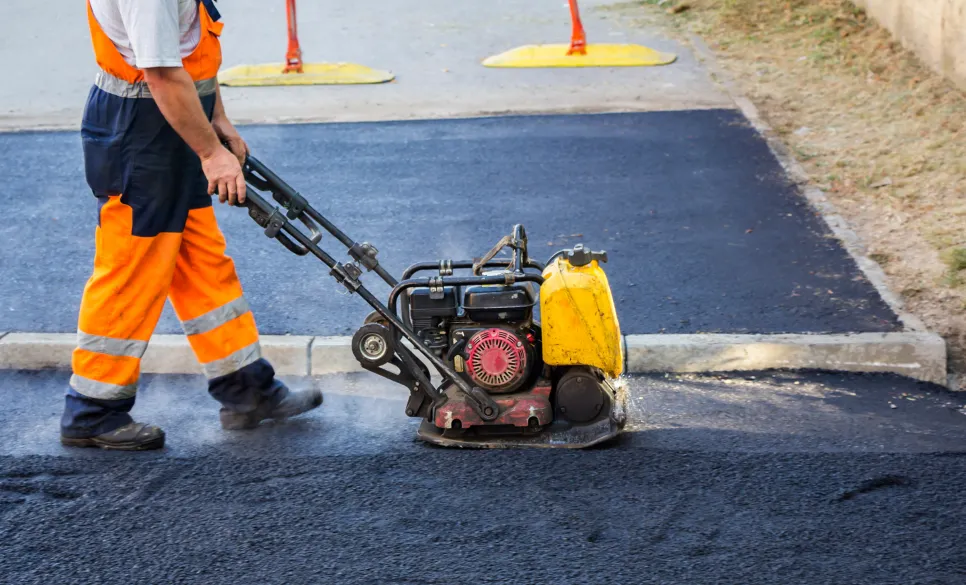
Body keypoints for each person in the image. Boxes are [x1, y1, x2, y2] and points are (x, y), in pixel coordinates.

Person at [60, 0, 322, 450]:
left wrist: (217, 120)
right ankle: (91, 409)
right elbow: (160, 72)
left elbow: (189, 56)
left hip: (174, 121)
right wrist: (210, 153)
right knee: (131, 269)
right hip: (141, 134)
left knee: (202, 261)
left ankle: (246, 389)